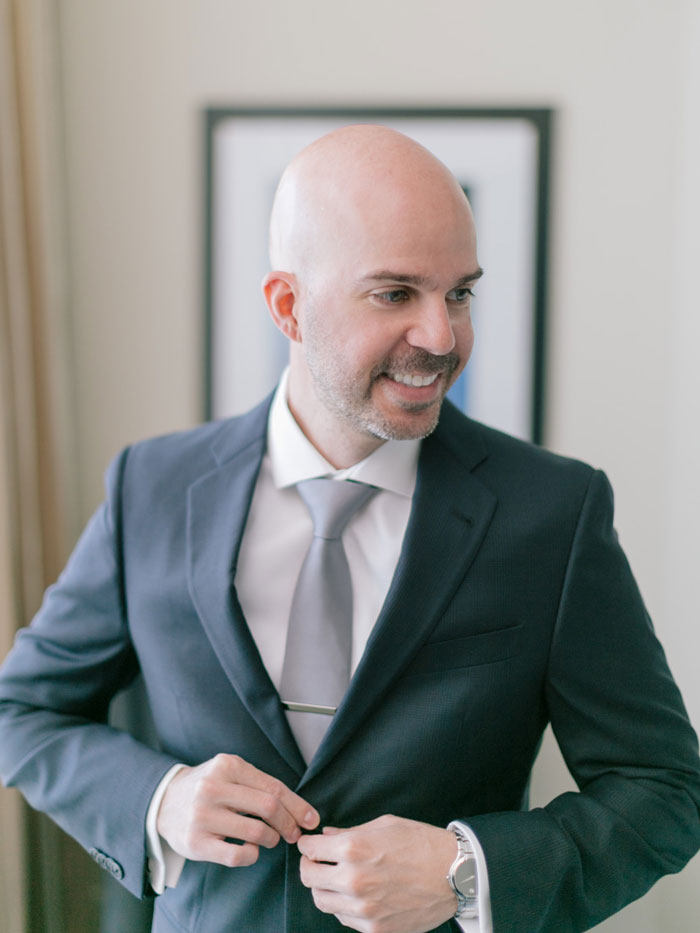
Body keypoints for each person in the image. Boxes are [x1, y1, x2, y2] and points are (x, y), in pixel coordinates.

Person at [1, 125, 699, 933]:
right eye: (396, 293)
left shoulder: (554, 511)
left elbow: (663, 789)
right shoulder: (151, 488)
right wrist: (161, 799)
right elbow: (26, 710)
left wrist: (467, 868)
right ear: (288, 306)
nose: (441, 337)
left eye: (461, 292)